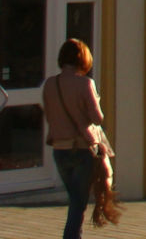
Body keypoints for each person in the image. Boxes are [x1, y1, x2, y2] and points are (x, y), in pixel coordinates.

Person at [43, 38, 114, 239]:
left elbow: (50, 116)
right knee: (78, 202)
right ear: (83, 59)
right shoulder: (85, 83)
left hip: (60, 151)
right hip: (82, 150)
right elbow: (97, 117)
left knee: (75, 199)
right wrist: (95, 100)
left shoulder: (50, 84)